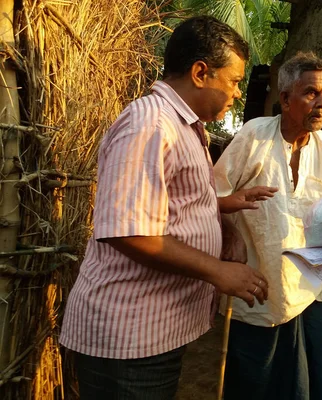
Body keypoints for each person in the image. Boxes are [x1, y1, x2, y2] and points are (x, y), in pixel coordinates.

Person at [60, 16, 277, 399]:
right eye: (235, 81)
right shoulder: (150, 124)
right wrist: (217, 270)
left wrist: (221, 220)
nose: (238, 94)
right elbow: (129, 230)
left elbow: (174, 205)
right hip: (129, 339)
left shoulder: (185, 127)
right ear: (200, 72)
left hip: (153, 331)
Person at [214, 51, 322, 400]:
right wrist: (230, 233)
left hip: (307, 290)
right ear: (285, 98)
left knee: (302, 386)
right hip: (254, 285)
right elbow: (211, 196)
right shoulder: (254, 136)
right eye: (311, 93)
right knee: (252, 383)